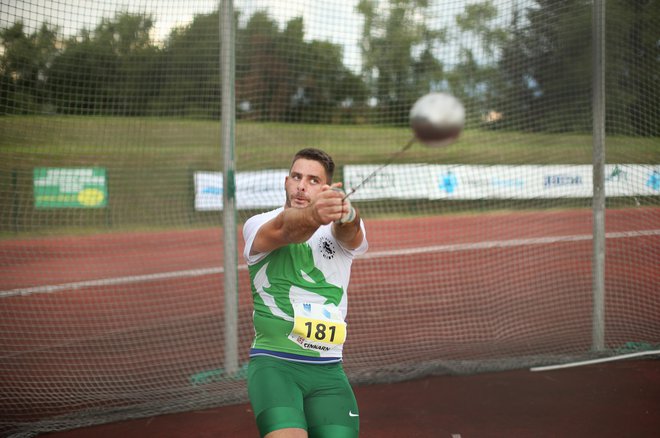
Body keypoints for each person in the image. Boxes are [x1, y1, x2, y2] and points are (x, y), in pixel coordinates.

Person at [242, 148, 368, 438]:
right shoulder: (259, 224)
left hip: (329, 370)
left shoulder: (338, 233)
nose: (301, 185)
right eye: (296, 177)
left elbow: (351, 232)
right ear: (286, 181)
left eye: (313, 180)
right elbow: (289, 230)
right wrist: (314, 214)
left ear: (326, 188)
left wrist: (347, 213)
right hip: (276, 365)